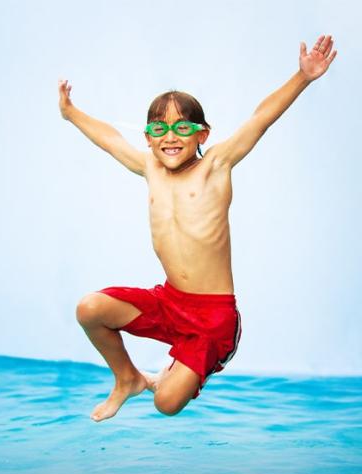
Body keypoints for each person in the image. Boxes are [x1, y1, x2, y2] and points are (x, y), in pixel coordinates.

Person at [58, 35, 337, 422]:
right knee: (90, 309)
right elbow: (110, 140)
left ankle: (170, 377)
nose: (170, 137)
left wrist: (302, 77)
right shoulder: (149, 168)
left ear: (202, 134)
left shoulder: (215, 167)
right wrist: (71, 112)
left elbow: (260, 118)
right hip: (170, 301)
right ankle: (128, 379)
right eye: (159, 130)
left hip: (213, 317)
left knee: (166, 404)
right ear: (149, 138)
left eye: (181, 128)